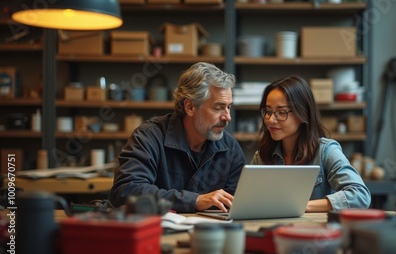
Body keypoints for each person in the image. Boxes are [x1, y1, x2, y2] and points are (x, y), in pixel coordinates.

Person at [110, 62, 245, 213]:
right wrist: (194, 200)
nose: (228, 117)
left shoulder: (231, 149)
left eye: (229, 107)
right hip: (158, 233)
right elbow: (126, 191)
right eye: (218, 107)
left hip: (209, 233)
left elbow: (239, 203)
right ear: (190, 107)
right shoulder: (149, 137)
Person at [250, 75, 371, 212]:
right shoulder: (261, 157)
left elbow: (360, 196)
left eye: (281, 112)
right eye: (268, 111)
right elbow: (248, 203)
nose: (271, 119)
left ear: (303, 114)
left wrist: (303, 206)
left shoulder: (326, 151)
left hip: (317, 232)